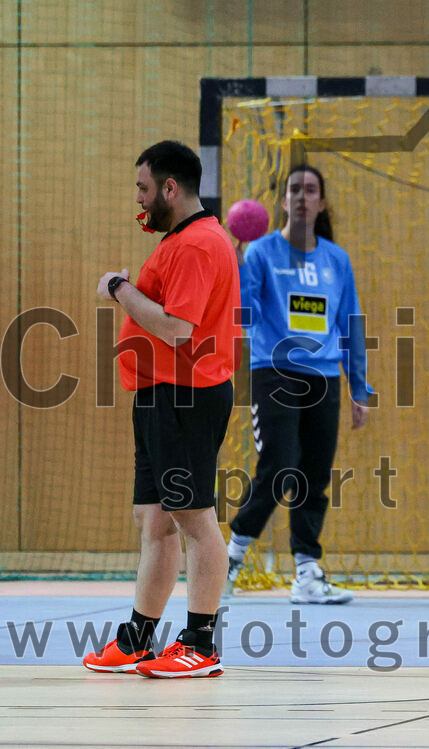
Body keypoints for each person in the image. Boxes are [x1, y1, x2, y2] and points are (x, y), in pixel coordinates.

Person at [84, 140, 241, 678]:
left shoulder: (198, 244)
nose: (140, 198)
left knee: (194, 520)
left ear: (170, 188)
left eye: (144, 188)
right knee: (155, 521)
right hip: (158, 395)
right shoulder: (180, 240)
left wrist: (119, 288)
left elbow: (177, 329)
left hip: (185, 395)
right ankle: (138, 639)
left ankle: (200, 641)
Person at [225, 164, 371, 604]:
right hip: (274, 371)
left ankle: (307, 574)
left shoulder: (336, 259)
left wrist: (358, 387)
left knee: (313, 475)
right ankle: (229, 559)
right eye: (294, 190)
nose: (303, 196)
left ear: (321, 202)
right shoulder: (261, 253)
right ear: (283, 202)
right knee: (280, 465)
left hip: (324, 377)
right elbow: (243, 314)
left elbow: (350, 324)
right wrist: (235, 266)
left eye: (311, 189)